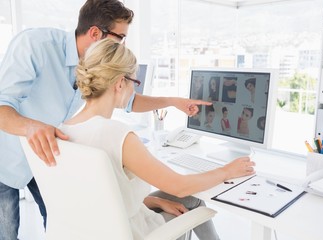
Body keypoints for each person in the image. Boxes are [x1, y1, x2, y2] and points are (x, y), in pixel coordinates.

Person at [0, 1, 210, 239]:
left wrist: (173, 101)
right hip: (9, 159)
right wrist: (30, 127)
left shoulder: (96, 69)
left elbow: (129, 101)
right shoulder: (36, 46)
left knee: (67, 222)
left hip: (50, 155)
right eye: (120, 37)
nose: (122, 45)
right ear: (95, 33)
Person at [59, 38, 255, 240]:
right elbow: (180, 186)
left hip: (98, 229)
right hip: (133, 233)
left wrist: (154, 202)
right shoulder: (117, 134)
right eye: (134, 82)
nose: (134, 91)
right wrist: (227, 171)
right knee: (191, 200)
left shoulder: (63, 131)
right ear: (119, 83)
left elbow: (100, 199)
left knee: (187, 199)